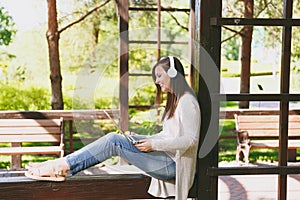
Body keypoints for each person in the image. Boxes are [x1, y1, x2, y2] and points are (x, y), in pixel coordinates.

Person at [25, 56, 201, 200]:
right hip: (167, 160)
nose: (156, 80)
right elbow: (168, 135)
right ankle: (59, 165)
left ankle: (59, 166)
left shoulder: (187, 102)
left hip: (173, 166)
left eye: (160, 75)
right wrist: (141, 138)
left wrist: (153, 146)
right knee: (116, 140)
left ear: (172, 73)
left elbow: (190, 141)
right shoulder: (177, 100)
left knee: (113, 141)